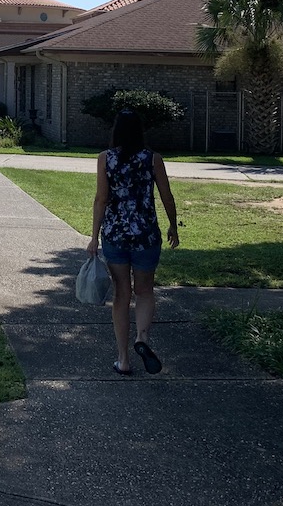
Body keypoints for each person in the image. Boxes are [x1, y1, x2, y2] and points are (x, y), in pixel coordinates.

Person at [85, 109, 180, 375]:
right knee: (145, 291)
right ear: (140, 131)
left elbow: (101, 199)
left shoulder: (105, 158)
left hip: (115, 235)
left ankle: (123, 359)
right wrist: (173, 225)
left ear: (115, 130)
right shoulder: (153, 159)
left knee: (121, 295)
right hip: (146, 235)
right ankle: (142, 338)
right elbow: (167, 195)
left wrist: (94, 237)